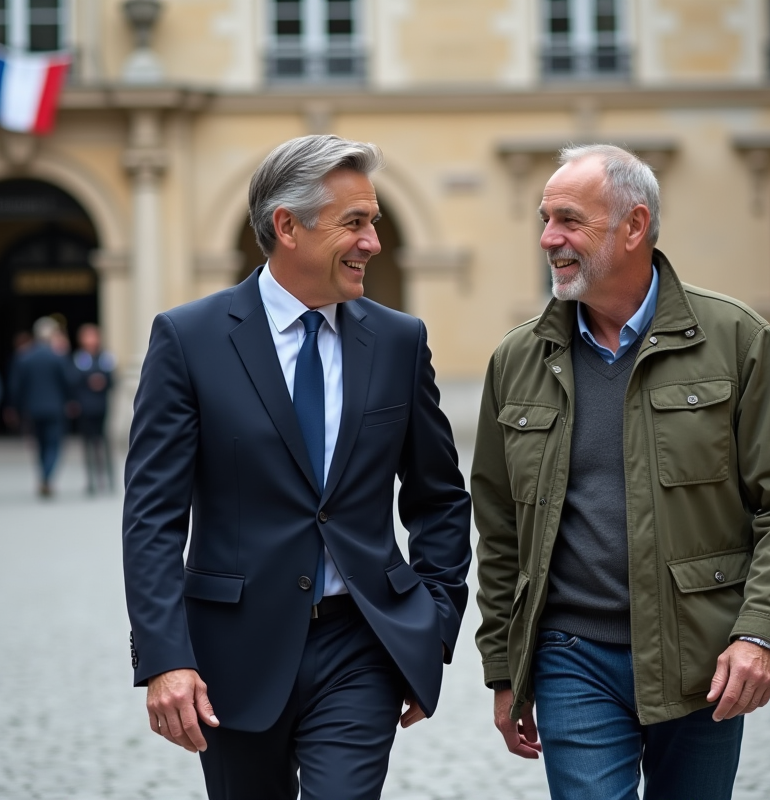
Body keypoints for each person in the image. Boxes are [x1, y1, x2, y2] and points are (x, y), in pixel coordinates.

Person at [471, 144, 770, 800]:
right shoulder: (517, 359)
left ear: (634, 225)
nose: (548, 238)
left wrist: (761, 633)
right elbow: (498, 530)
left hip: (703, 660)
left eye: (569, 220)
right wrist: (504, 667)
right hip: (570, 658)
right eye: (545, 219)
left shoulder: (736, 339)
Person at [122, 135, 472, 800]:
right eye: (355, 222)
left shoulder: (399, 341)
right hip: (232, 654)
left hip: (362, 644)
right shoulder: (189, 340)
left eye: (374, 222)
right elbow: (152, 518)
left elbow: (439, 497)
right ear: (287, 226)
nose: (373, 242)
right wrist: (165, 658)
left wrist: (432, 624)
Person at [10, 317, 73, 498]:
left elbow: (16, 386)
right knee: (53, 444)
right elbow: (68, 382)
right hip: (55, 408)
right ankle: (47, 476)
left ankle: (43, 476)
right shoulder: (58, 357)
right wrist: (70, 401)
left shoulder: (25, 357)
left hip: (33, 409)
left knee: (40, 444)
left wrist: (15, 407)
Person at [70, 324, 115, 495]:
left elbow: (112, 379)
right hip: (85, 407)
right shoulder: (79, 358)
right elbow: (73, 381)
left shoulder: (105, 357)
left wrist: (102, 381)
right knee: (88, 443)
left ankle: (109, 479)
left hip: (101, 406)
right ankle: (91, 480)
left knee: (104, 442)